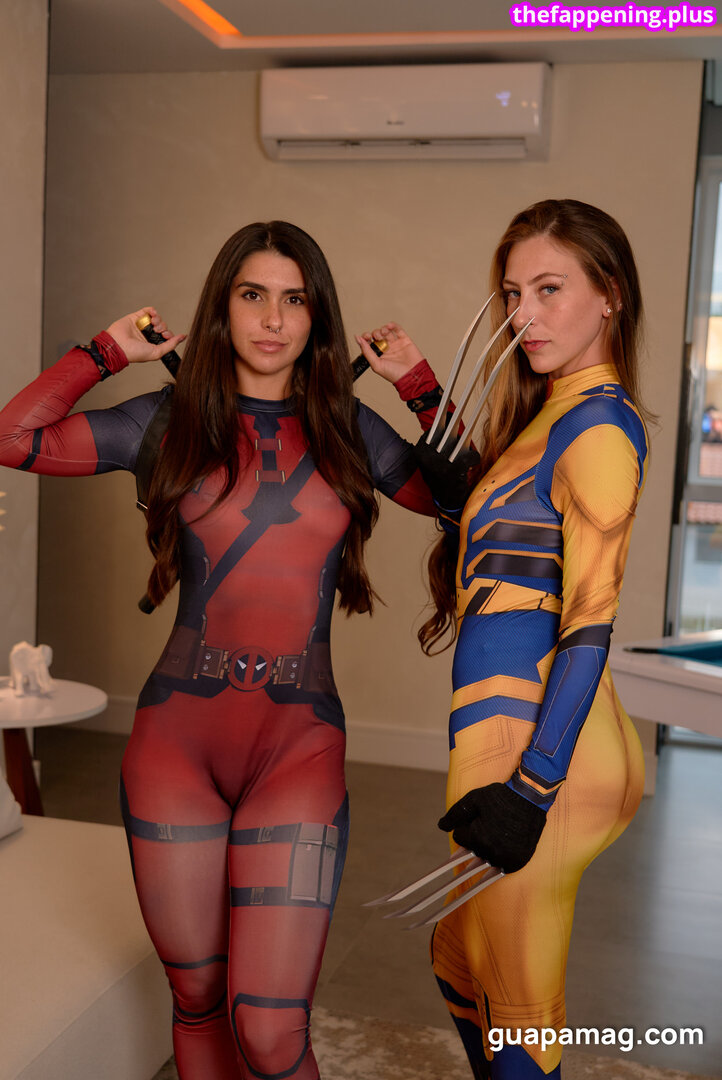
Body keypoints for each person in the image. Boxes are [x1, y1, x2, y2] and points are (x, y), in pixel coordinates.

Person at [0, 221, 445, 1080]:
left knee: (272, 1033)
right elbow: (13, 438)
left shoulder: (348, 426)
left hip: (298, 746)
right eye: (252, 296)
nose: (273, 320)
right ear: (222, 307)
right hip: (177, 748)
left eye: (294, 299)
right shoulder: (166, 421)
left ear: (317, 317)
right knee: (198, 998)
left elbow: (475, 497)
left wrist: (418, 385)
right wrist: (104, 352)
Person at [358, 199, 651, 1079]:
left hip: (541, 752)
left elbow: (590, 622)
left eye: (550, 289)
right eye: (514, 293)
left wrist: (531, 790)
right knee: (460, 962)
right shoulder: (550, 415)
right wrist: (417, 386)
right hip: (503, 733)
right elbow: (492, 524)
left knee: (520, 1009)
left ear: (610, 295)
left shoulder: (599, 428)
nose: (524, 314)